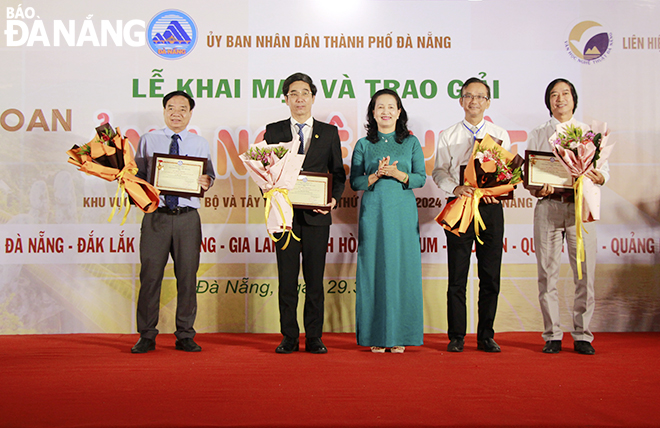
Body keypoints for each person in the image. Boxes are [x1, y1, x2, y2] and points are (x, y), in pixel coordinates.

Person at [264, 72, 346, 354]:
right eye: (293, 94)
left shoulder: (329, 132)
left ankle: (314, 337)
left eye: (305, 93)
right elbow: (265, 173)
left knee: (314, 279)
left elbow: (337, 174)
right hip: (284, 218)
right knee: (286, 280)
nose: (299, 99)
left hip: (316, 216)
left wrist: (333, 199)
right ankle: (288, 336)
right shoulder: (273, 131)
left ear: (313, 97)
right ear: (285, 99)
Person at [526, 78, 609, 355]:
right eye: (553, 95)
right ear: (548, 101)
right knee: (546, 274)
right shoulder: (538, 133)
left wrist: (599, 176)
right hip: (548, 207)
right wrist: (537, 187)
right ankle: (552, 335)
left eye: (565, 94)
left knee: (585, 274)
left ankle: (583, 334)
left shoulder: (588, 133)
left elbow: (603, 170)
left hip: (579, 208)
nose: (559, 99)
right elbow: (530, 176)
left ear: (574, 99)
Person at [131, 90, 215, 354]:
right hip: (156, 217)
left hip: (187, 219)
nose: (176, 113)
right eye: (170, 108)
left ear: (190, 113)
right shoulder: (148, 140)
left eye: (182, 109)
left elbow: (208, 176)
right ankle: (147, 334)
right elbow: (137, 176)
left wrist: (206, 182)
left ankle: (185, 334)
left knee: (188, 277)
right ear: (164, 111)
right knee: (150, 276)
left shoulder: (200, 143)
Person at [432, 77, 511, 353]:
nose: (474, 101)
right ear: (461, 100)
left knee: (490, 275)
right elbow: (438, 171)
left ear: (488, 102)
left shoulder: (500, 134)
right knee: (457, 275)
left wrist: (497, 189)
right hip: (460, 207)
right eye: (469, 96)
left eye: (480, 96)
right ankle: (456, 336)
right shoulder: (448, 135)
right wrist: (455, 186)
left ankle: (486, 335)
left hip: (489, 208)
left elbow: (506, 174)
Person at [350, 89, 426, 353]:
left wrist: (398, 173)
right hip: (374, 212)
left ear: (399, 111)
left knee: (402, 269)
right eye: (380, 107)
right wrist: (374, 176)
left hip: (403, 213)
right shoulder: (363, 144)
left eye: (391, 107)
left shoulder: (411, 143)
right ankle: (376, 335)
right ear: (372, 112)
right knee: (374, 268)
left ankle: (400, 335)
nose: (385, 111)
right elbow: (355, 182)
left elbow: (420, 178)